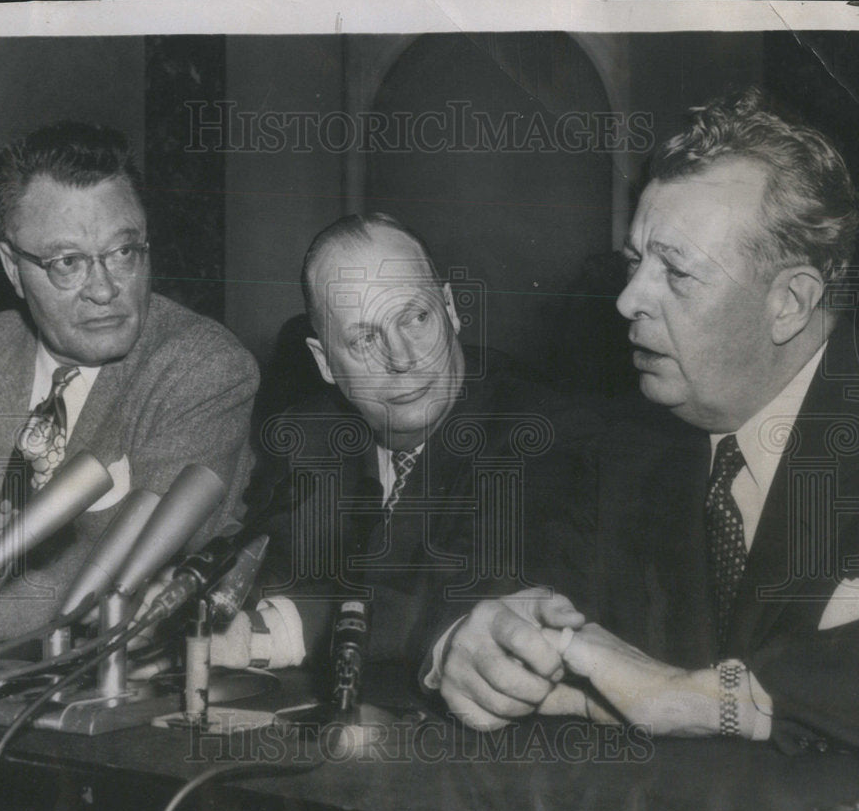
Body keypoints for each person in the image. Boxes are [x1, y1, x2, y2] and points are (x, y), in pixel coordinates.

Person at [442, 88, 859, 754]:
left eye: (675, 273)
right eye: (634, 262)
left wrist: (713, 701)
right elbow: (488, 578)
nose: (626, 300)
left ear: (790, 302)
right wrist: (475, 642)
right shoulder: (625, 447)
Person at [211, 213, 600, 696]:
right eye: (364, 339)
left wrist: (273, 631)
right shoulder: (307, 434)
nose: (402, 358)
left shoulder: (539, 428)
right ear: (325, 362)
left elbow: (476, 602)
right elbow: (269, 568)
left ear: (452, 310)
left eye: (416, 317)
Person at [0, 122, 259, 643]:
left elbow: (100, 585)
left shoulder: (202, 367)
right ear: (14, 269)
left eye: (124, 252)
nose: (105, 289)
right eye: (68, 263)